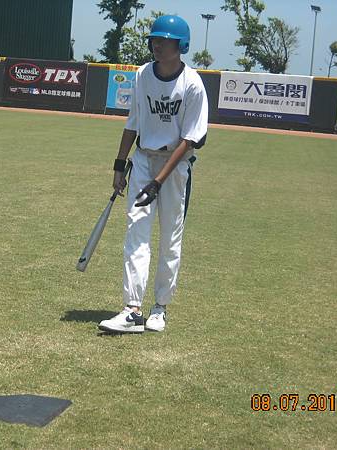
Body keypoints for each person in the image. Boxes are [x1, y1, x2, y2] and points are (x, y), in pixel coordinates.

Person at [98, 15, 208, 334]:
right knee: (136, 232)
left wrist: (158, 183)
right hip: (143, 159)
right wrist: (119, 165)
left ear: (180, 45)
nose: (156, 45)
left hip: (175, 166)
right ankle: (132, 310)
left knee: (170, 239)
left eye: (164, 41)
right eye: (154, 40)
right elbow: (133, 122)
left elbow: (189, 140)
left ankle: (160, 308)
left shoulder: (192, 84)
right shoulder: (143, 74)